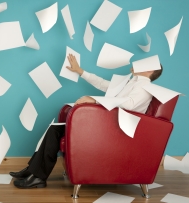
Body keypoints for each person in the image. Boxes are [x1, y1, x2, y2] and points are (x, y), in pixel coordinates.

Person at [10, 54, 163, 189]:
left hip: (115, 131)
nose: (137, 63)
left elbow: (129, 104)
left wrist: (94, 100)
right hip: (107, 124)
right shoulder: (131, 82)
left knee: (55, 131)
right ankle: (34, 172)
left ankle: (37, 176)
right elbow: (103, 84)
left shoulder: (144, 86)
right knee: (54, 130)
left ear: (150, 70)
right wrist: (80, 71)